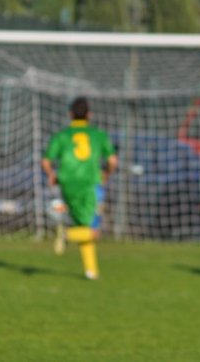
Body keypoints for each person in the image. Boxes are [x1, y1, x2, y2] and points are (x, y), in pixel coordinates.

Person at [41, 97, 118, 280]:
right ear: (89, 115)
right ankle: (66, 235)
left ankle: (91, 271)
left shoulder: (62, 135)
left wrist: (51, 175)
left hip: (67, 185)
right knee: (93, 231)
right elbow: (113, 161)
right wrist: (106, 174)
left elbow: (46, 161)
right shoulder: (98, 135)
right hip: (90, 186)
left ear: (70, 114)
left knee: (83, 227)